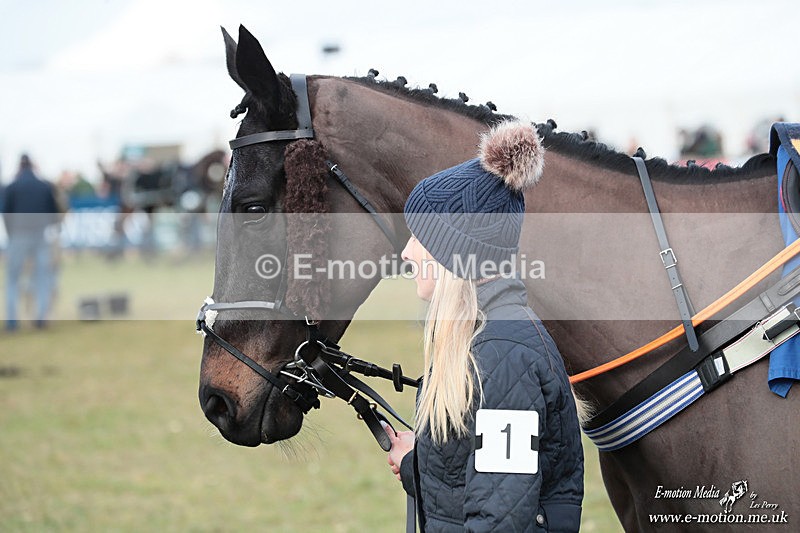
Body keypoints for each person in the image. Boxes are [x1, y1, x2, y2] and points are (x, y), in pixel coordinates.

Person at [384, 120, 584, 532]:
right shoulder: (484, 338)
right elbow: (476, 483)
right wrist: (418, 463)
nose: (406, 252)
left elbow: (501, 521)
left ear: (452, 253)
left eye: (418, 237)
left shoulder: (503, 356)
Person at [2, 154, 60, 330]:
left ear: (19, 166)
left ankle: (12, 321)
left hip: (18, 235)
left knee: (13, 278)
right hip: (40, 235)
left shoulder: (12, 186)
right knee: (42, 277)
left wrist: (11, 234)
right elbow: (53, 213)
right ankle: (41, 318)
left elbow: (5, 213)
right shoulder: (44, 186)